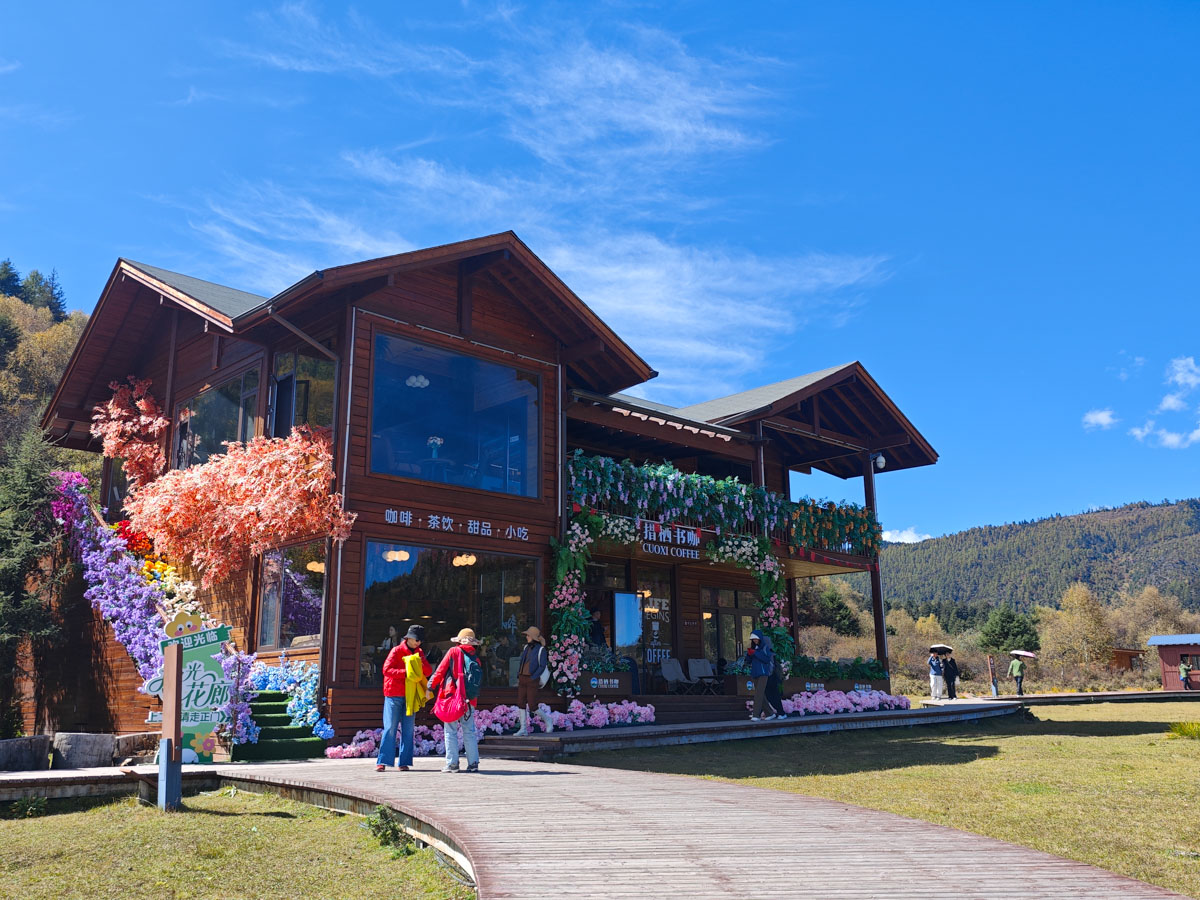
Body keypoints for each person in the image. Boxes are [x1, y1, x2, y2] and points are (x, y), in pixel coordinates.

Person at [376, 625, 431, 773]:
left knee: (408, 729)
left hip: (410, 695)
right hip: (393, 694)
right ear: (409, 638)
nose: (418, 643)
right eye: (417, 640)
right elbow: (386, 670)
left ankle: (404, 762)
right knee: (390, 728)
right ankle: (382, 762)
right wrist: (407, 672)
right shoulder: (396, 651)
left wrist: (419, 664)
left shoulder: (419, 652)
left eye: (420, 640)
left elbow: (428, 671)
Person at [430, 627, 483, 773]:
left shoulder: (454, 651)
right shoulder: (476, 658)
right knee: (469, 731)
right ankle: (473, 763)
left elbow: (440, 670)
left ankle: (452, 764)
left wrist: (430, 686)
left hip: (453, 698)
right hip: (470, 700)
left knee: (450, 731)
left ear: (459, 641)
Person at [514, 626, 555, 736]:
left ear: (533, 637)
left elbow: (542, 666)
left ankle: (548, 720)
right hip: (522, 678)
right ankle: (523, 728)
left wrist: (534, 677)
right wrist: (519, 675)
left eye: (528, 635)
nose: (526, 637)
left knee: (532, 705)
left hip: (532, 679)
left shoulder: (541, 649)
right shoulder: (526, 647)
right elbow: (522, 662)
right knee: (521, 703)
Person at [747, 630, 776, 721]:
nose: (755, 640)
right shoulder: (754, 648)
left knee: (758, 694)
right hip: (755, 673)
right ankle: (770, 713)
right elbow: (748, 661)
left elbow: (766, 659)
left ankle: (756, 715)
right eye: (753, 639)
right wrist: (749, 655)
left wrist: (755, 653)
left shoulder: (765, 647)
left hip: (763, 674)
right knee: (761, 695)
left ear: (760, 638)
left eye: (756, 638)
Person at [763, 633, 788, 719]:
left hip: (770, 676)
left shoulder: (768, 653)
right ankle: (780, 712)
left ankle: (781, 712)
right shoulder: (770, 652)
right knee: (772, 695)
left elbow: (770, 666)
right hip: (771, 676)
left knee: (772, 695)